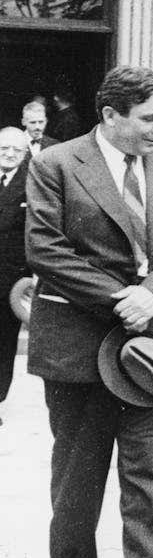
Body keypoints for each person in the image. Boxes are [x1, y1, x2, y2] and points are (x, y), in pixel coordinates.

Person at [25, 65, 153, 558]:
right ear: (110, 116)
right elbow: (44, 247)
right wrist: (118, 299)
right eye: (149, 119)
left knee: (151, 472)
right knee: (79, 468)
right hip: (78, 344)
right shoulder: (56, 164)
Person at [0, 127, 31, 425]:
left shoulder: (31, 184)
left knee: (4, 342)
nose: (9, 154)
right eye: (4, 148)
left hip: (8, 280)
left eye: (16, 150)